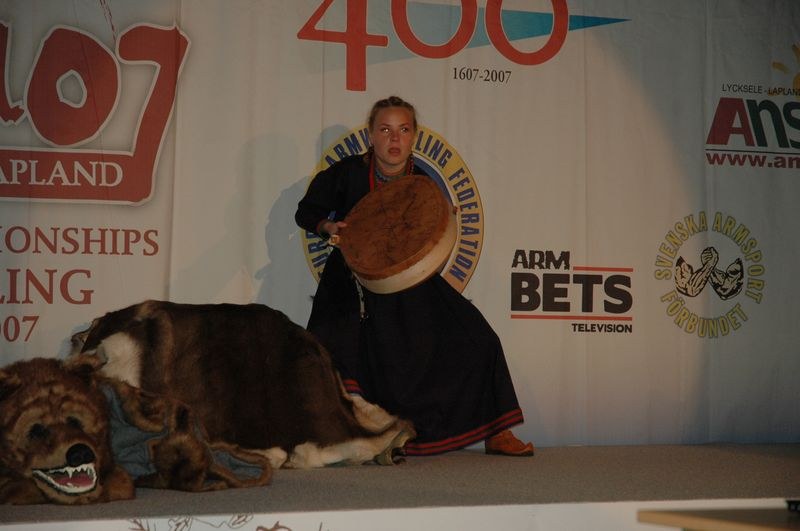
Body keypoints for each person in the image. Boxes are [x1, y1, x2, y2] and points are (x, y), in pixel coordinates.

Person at [295, 95, 533, 457]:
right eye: (385, 130)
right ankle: (356, 442)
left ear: (414, 137)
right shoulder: (346, 173)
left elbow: (429, 237)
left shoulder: (422, 182)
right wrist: (329, 225)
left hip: (409, 281)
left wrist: (441, 221)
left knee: (478, 338)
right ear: (371, 136)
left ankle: (496, 431)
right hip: (351, 278)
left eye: (403, 130)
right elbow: (306, 212)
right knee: (332, 349)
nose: (394, 139)